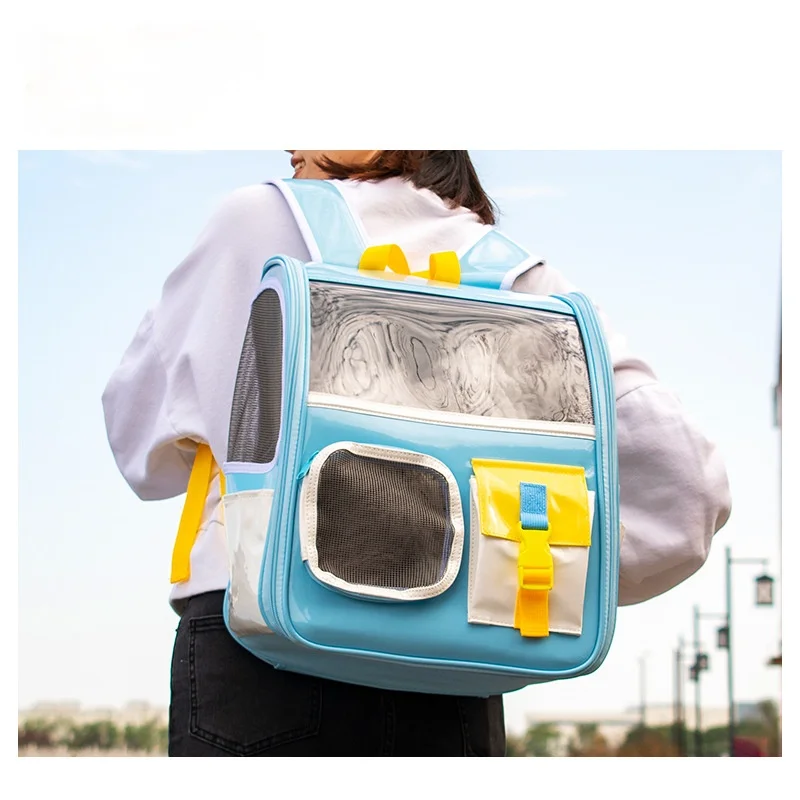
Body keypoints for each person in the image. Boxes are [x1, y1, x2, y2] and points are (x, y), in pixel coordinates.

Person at [101, 150, 732, 757]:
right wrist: (529, 568)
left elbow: (138, 441)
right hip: (456, 677)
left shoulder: (262, 219)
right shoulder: (522, 280)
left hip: (267, 661)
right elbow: (688, 490)